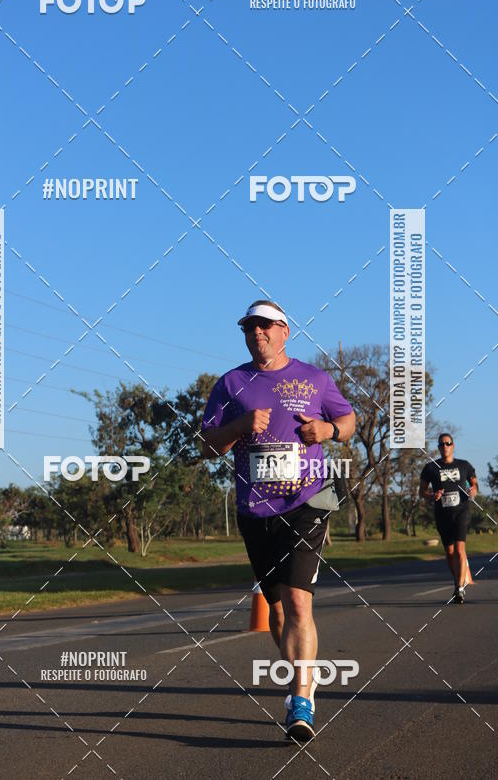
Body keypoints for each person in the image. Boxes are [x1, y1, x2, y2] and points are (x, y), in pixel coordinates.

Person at [200, 300, 355, 741]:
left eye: (266, 326)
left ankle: (301, 702)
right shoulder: (230, 384)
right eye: (250, 328)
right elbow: (207, 445)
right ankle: (302, 675)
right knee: (277, 612)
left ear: (285, 331)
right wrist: (240, 426)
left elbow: (349, 419)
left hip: (307, 502)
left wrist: (327, 430)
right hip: (255, 511)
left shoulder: (314, 379)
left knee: (299, 602)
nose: (258, 333)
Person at [419, 433, 478, 604]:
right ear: (438, 447)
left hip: (462, 511)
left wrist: (473, 489)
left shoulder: (464, 465)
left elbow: (474, 483)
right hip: (442, 514)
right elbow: (421, 491)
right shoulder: (430, 468)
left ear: (453, 445)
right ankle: (458, 581)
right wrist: (432, 495)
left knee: (459, 549)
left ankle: (459, 588)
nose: (445, 446)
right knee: (450, 552)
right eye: (442, 444)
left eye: (448, 443)